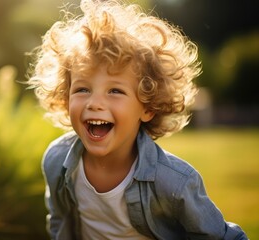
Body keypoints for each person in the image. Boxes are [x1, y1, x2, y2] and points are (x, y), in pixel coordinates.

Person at [27, 0, 248, 239]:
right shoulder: (57, 162)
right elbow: (60, 221)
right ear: (65, 95)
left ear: (148, 107)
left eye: (115, 91)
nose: (94, 103)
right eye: (82, 89)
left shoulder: (173, 182)